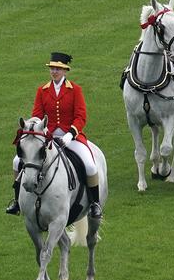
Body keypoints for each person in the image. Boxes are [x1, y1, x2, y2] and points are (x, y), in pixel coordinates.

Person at [6, 53, 102, 217]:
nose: (54, 71)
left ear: (65, 71)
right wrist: (40, 132)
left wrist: (70, 134)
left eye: (58, 69)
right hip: (47, 137)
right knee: (17, 161)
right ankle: (16, 201)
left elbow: (81, 116)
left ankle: (95, 203)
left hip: (70, 137)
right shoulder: (42, 91)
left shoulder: (75, 90)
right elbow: (36, 116)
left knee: (90, 165)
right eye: (52, 68)